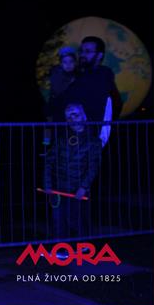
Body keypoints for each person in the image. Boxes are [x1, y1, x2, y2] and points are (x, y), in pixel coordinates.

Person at [43, 103, 101, 240]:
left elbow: (93, 167)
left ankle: (82, 247)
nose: (72, 119)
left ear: (84, 116)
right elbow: (49, 162)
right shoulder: (61, 139)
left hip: (77, 189)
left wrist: (83, 187)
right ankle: (61, 248)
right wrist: (48, 184)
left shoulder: (93, 142)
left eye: (75, 114)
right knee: (58, 221)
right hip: (58, 188)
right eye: (69, 117)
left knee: (76, 220)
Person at [59, 36, 123, 146]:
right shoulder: (76, 75)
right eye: (81, 51)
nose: (82, 55)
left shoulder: (103, 75)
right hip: (72, 135)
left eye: (88, 51)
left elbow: (114, 105)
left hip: (93, 136)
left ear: (100, 55)